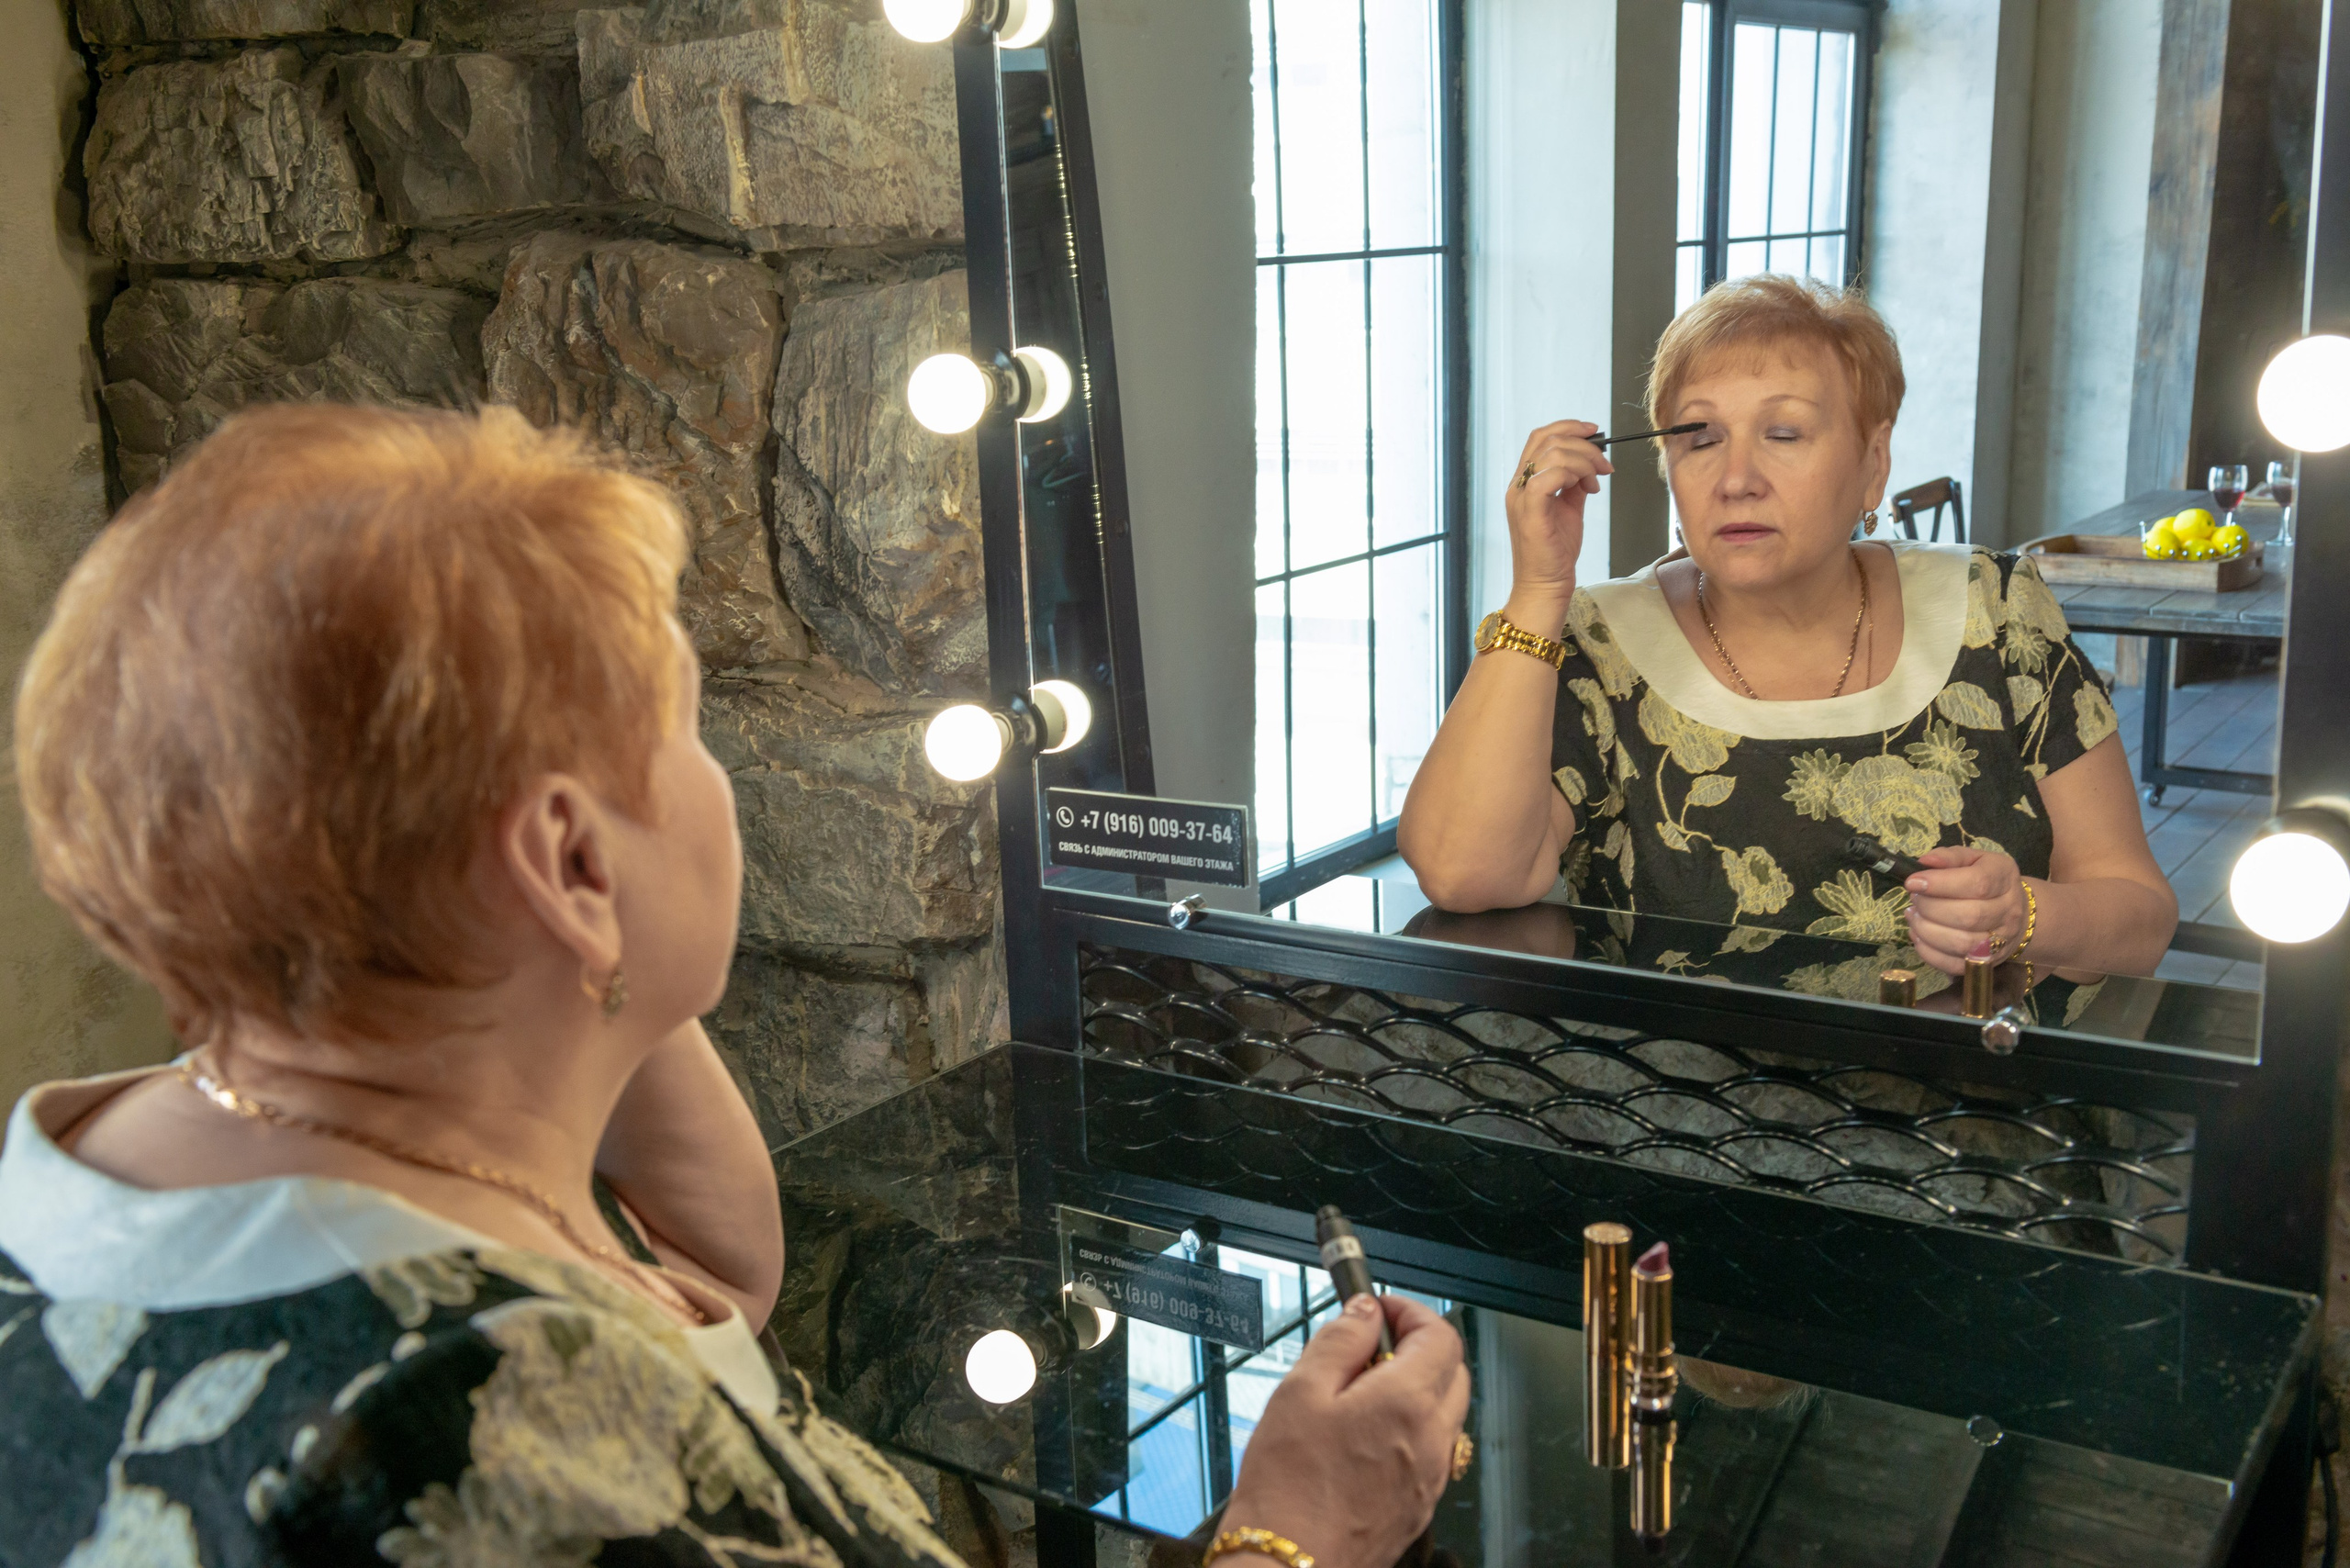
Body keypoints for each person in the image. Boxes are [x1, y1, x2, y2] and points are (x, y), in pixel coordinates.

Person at [0, 404, 1468, 1567]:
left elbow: (716, 1293)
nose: (723, 784)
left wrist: (604, 976)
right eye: (690, 728)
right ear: (569, 860)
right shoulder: (523, 1442)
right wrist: (1295, 1536)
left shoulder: (94, 1172)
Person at [1400, 276, 2177, 996]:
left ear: (1874, 466)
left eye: (1785, 433)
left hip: (1973, 1103)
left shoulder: (1993, 607)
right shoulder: (1601, 643)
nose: (1737, 476)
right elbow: (1464, 876)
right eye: (1700, 437)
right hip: (1671, 1114)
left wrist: (2025, 918)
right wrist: (1539, 591)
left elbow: (2141, 918)